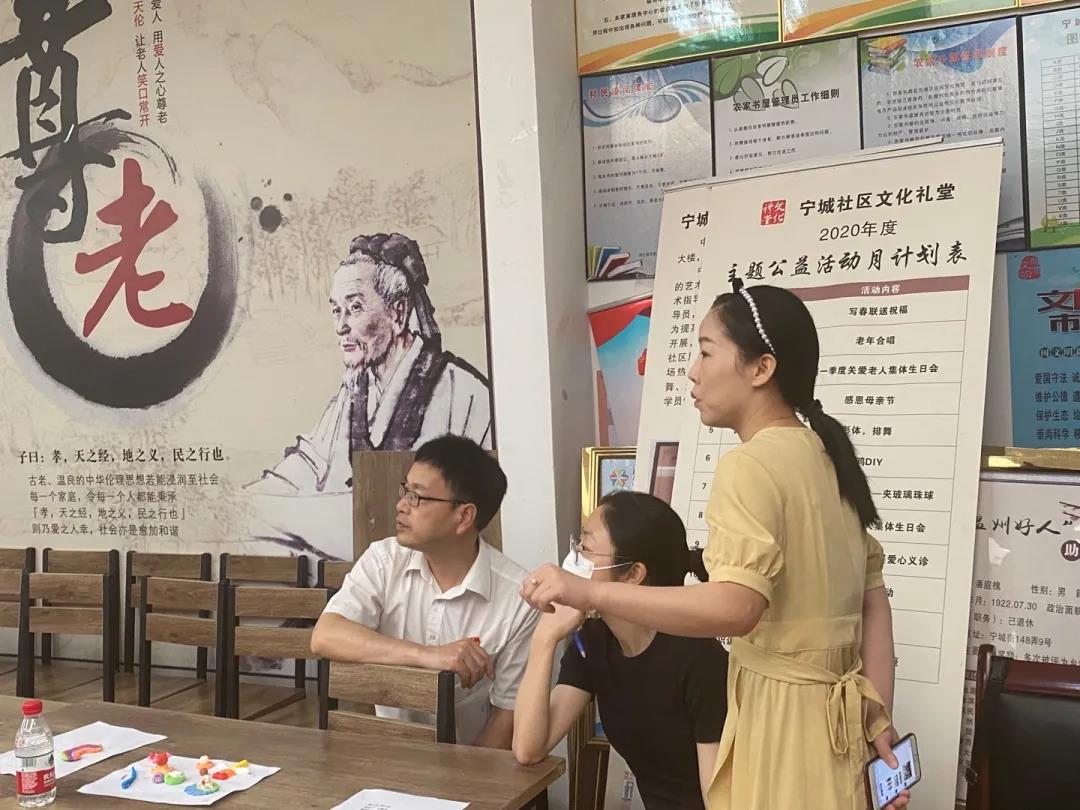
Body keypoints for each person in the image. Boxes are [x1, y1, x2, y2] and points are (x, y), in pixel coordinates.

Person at [519, 280, 910, 810]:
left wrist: (589, 592)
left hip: (782, 726)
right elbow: (873, 602)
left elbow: (736, 607)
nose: (692, 371)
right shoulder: (827, 459)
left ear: (761, 368)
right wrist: (877, 715)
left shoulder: (750, 465)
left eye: (706, 352)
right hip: (841, 728)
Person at [244, 232, 491, 558]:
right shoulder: (354, 392)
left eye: (355, 308)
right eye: (336, 311)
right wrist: (247, 503)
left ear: (398, 313)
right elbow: (306, 464)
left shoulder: (466, 395)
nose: (341, 326)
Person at [310, 434, 537, 748]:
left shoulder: (519, 599)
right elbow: (325, 636)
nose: (401, 506)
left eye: (417, 496)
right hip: (389, 754)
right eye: (405, 490)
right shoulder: (384, 559)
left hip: (469, 761)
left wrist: (461, 777)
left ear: (464, 516)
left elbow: (507, 716)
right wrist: (429, 656)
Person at [513, 491, 728, 809]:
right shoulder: (596, 640)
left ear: (633, 574)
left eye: (586, 548)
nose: (574, 560)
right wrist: (544, 639)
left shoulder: (699, 658)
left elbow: (719, 798)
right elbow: (528, 749)